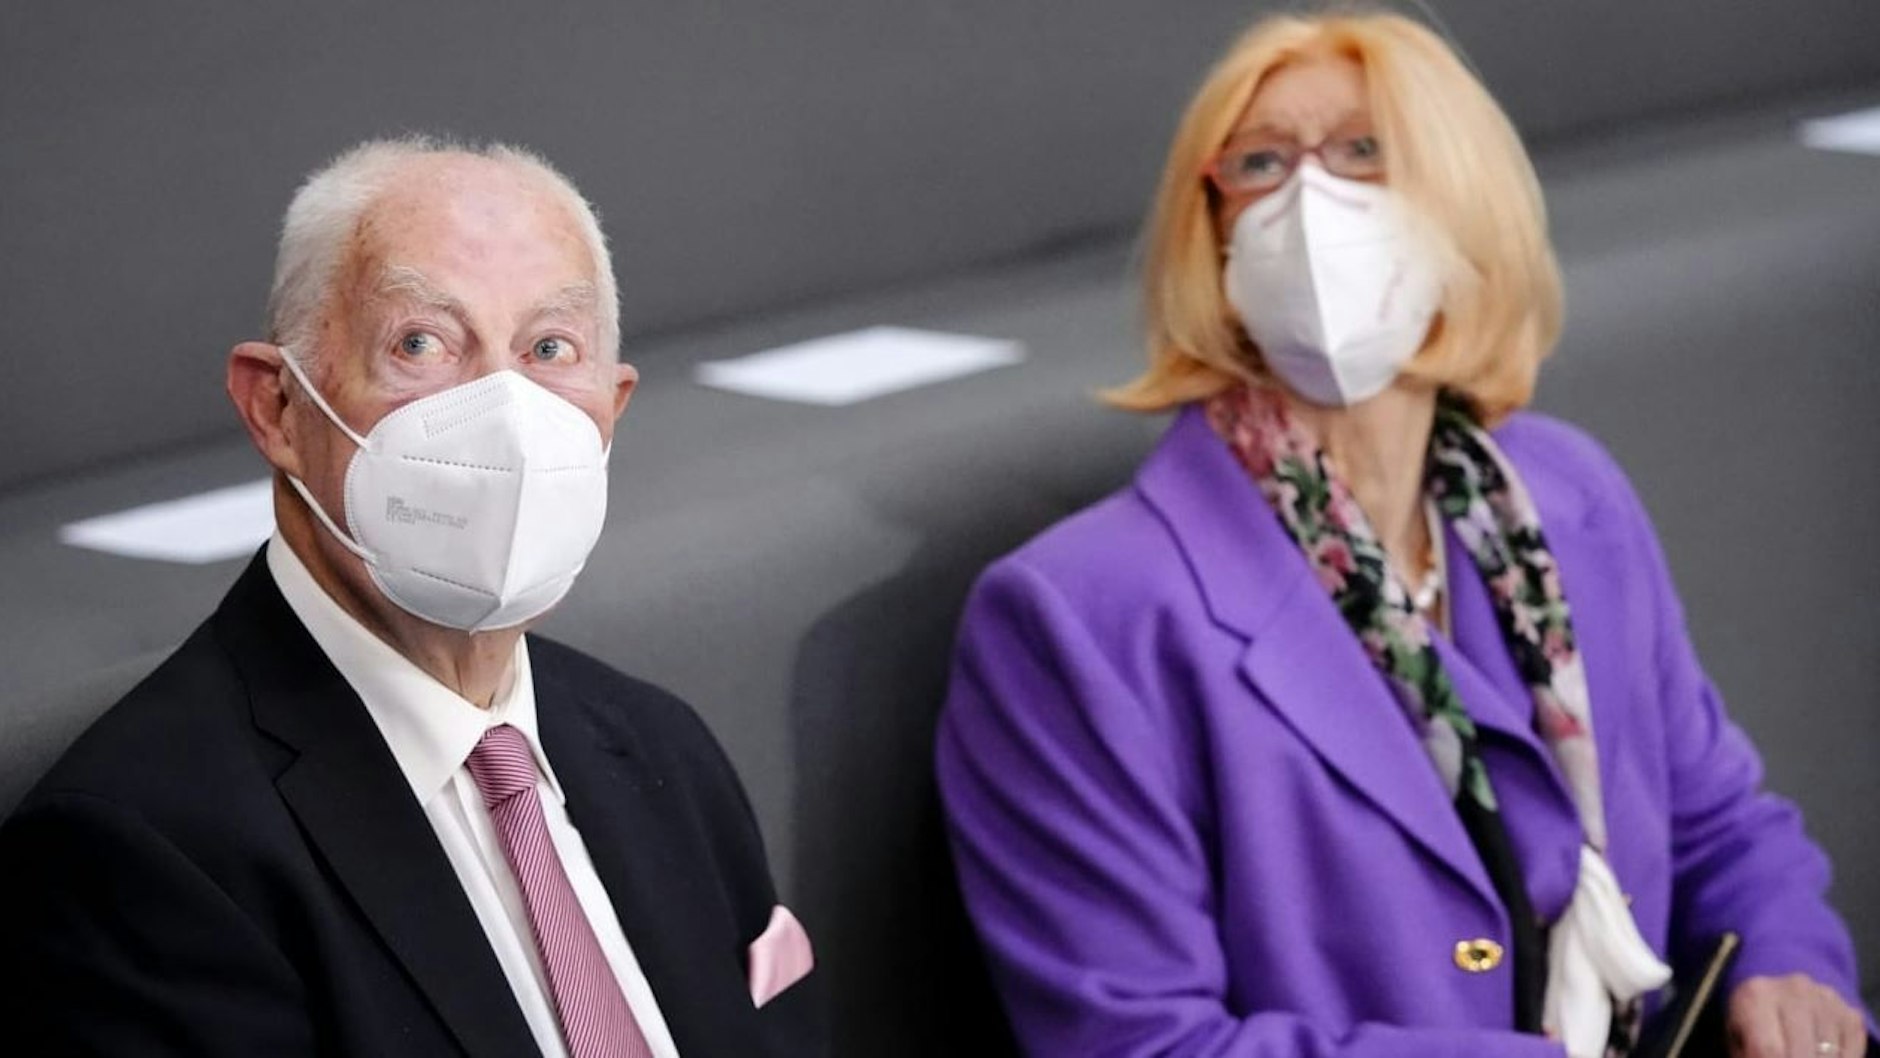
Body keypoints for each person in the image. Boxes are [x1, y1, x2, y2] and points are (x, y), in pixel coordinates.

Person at [935, 11, 1870, 1058]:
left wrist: (1789, 971)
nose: (1309, 199)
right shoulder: (1081, 616)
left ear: (1466, 204)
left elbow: (1720, 828)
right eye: (1259, 163)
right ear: (1213, 231)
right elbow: (1139, 1042)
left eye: (1363, 150)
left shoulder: (1567, 497)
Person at [0, 138, 822, 1057]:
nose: (506, 415)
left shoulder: (660, 746)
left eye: (550, 348)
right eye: (421, 344)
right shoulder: (149, 851)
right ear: (277, 407)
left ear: (612, 410)